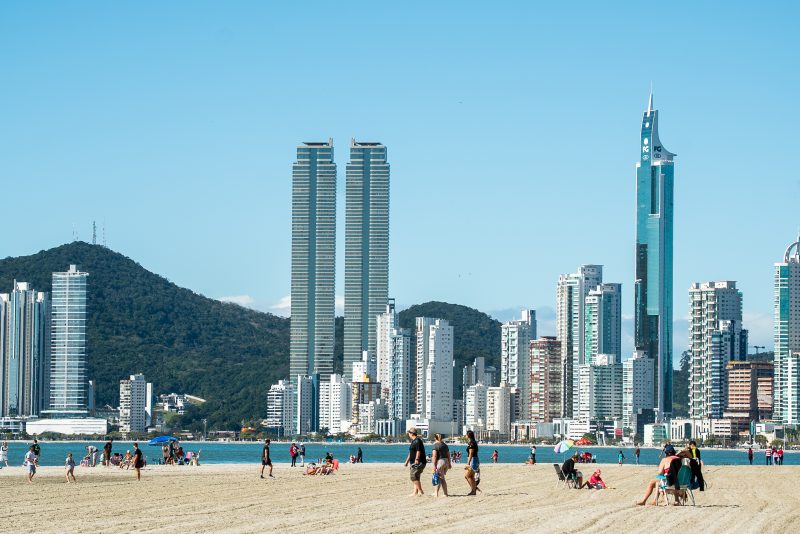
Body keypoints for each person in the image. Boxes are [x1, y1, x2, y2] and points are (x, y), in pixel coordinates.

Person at [404, 427, 426, 496]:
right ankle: (415, 492)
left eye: (409, 433)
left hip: (419, 462)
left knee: (413, 476)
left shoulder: (417, 441)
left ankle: (420, 491)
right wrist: (407, 461)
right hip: (413, 462)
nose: (408, 434)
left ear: (412, 433)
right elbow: (411, 452)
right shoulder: (414, 441)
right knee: (416, 476)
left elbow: (418, 451)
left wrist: (417, 459)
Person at [431, 433, 451, 498]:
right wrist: (450, 463)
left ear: (435, 438)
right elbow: (448, 455)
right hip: (446, 462)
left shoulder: (435, 445)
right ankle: (445, 493)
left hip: (440, 462)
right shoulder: (445, 445)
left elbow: (434, 456)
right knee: (441, 478)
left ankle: (436, 493)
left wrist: (434, 465)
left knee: (438, 477)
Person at [464, 430, 481, 495]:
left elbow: (471, 453)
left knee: (467, 476)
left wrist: (468, 463)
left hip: (473, 460)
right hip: (474, 460)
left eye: (466, 434)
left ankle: (474, 490)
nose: (465, 436)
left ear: (468, 435)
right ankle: (473, 490)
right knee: (471, 476)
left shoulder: (472, 443)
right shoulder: (472, 442)